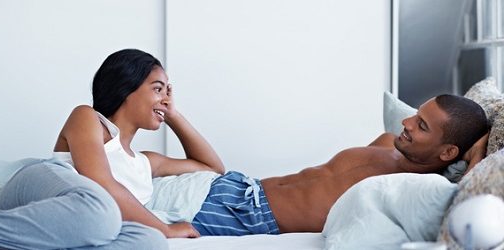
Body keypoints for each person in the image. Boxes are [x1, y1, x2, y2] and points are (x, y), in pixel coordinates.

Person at [0, 48, 226, 249]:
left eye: (168, 90)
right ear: (127, 86)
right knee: (106, 213)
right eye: (158, 87)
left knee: (146, 244)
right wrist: (164, 227)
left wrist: (173, 112)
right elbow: (100, 183)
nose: (165, 96)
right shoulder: (89, 119)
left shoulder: (148, 163)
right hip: (40, 188)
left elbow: (212, 168)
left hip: (79, 222)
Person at [190, 94, 489, 235]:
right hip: (240, 185)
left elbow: (464, 207)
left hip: (248, 219)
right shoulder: (388, 142)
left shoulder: (419, 189)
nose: (406, 122)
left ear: (449, 153)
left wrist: (476, 154)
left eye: (421, 125)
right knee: (143, 177)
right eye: (416, 114)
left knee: (143, 221)